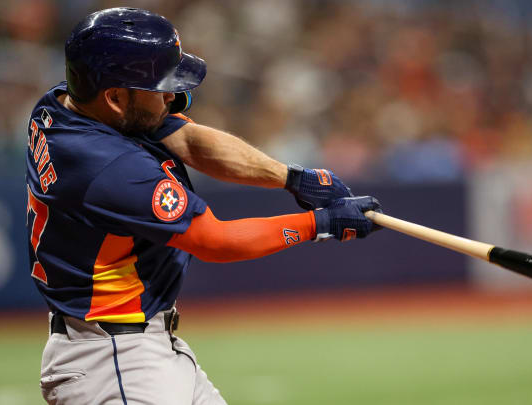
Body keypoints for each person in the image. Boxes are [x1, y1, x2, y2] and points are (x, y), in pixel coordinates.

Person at [26, 7, 382, 405]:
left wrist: (293, 178)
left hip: (138, 348)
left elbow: (189, 141)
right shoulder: (110, 168)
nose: (173, 97)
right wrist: (321, 223)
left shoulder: (66, 104)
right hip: (115, 361)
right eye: (158, 87)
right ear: (115, 97)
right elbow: (214, 239)